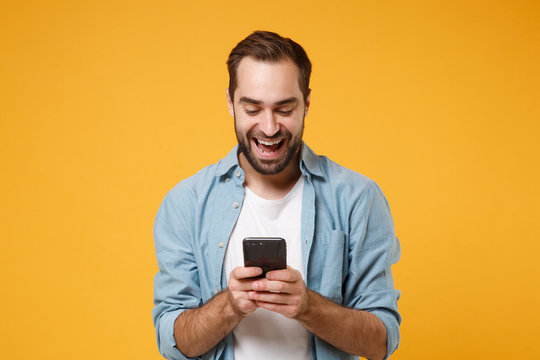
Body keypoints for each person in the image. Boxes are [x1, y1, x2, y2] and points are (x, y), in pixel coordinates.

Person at [152, 30, 401, 360]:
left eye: (284, 108)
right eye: (252, 109)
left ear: (307, 103)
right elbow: (172, 342)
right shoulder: (185, 203)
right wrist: (229, 306)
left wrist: (309, 306)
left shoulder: (357, 198)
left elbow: (383, 340)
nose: (269, 128)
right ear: (230, 102)